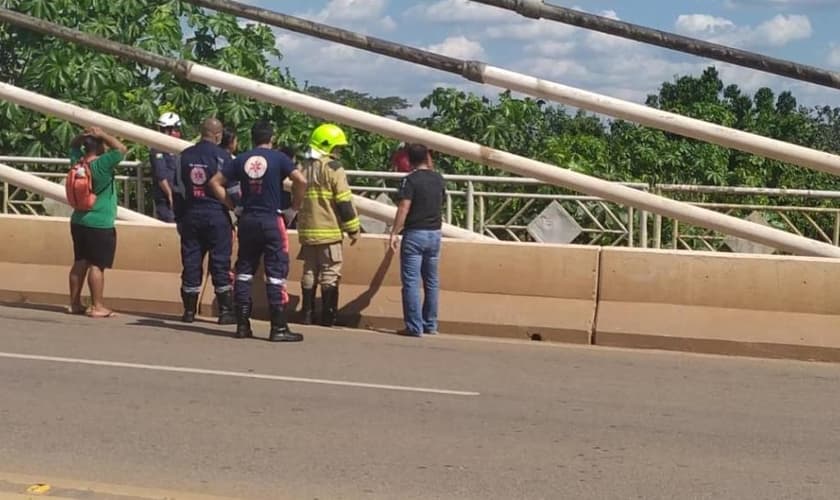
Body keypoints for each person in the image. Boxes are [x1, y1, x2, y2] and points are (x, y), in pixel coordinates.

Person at [208, 120, 308, 342]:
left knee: (244, 271)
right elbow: (301, 180)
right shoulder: (279, 158)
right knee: (275, 274)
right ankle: (278, 328)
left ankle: (242, 325)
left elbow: (215, 182)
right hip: (272, 220)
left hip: (248, 219)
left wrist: (234, 207)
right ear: (272, 139)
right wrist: (294, 207)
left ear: (251, 138)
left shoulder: (241, 159)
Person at [296, 124, 362, 327]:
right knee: (330, 273)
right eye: (337, 147)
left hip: (307, 231)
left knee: (309, 271)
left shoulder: (303, 167)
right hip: (329, 231)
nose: (338, 151)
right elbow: (344, 201)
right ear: (328, 146)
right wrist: (353, 228)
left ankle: (306, 315)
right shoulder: (334, 168)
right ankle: (328, 317)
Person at [177, 117, 236, 325]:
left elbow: (178, 190)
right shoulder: (223, 157)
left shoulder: (184, 156)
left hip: (190, 214)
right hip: (216, 215)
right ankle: (226, 312)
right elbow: (233, 189)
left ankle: (189, 311)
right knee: (220, 262)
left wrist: (180, 218)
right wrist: (236, 210)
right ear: (218, 135)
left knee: (191, 261)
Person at [67, 126, 128, 318]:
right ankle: (97, 306)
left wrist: (83, 136)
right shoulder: (102, 164)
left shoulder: (78, 163)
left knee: (79, 262)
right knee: (96, 265)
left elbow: (73, 145)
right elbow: (121, 149)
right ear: (100, 147)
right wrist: (102, 135)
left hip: (78, 219)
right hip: (100, 222)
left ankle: (75, 303)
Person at [389, 143, 445, 337]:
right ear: (427, 158)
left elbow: (404, 207)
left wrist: (395, 232)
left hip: (415, 234)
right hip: (435, 234)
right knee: (431, 281)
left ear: (410, 160)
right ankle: (431, 324)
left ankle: (414, 326)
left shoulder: (410, 181)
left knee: (411, 282)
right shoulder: (439, 179)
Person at [150, 112, 182, 222]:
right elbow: (161, 175)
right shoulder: (157, 149)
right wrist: (170, 195)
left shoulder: (179, 148)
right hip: (165, 199)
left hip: (179, 196)